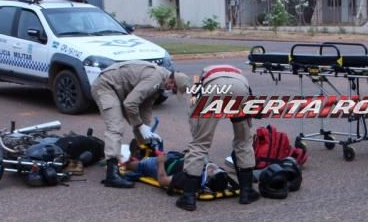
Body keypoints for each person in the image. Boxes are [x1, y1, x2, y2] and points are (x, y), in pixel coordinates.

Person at [91, 60, 188, 189]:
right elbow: (130, 104)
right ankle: (112, 174)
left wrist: (147, 131)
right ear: (171, 82)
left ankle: (141, 154)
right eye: (174, 90)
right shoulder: (155, 79)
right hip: (106, 86)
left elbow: (146, 107)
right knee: (116, 127)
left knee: (141, 124)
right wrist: (140, 126)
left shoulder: (160, 84)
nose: (172, 92)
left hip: (122, 91)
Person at [176, 64, 259, 212]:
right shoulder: (239, 75)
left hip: (214, 89)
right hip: (240, 89)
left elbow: (193, 105)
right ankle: (246, 192)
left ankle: (188, 197)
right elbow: (252, 100)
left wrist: (197, 132)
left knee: (200, 144)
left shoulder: (204, 76)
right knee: (244, 141)